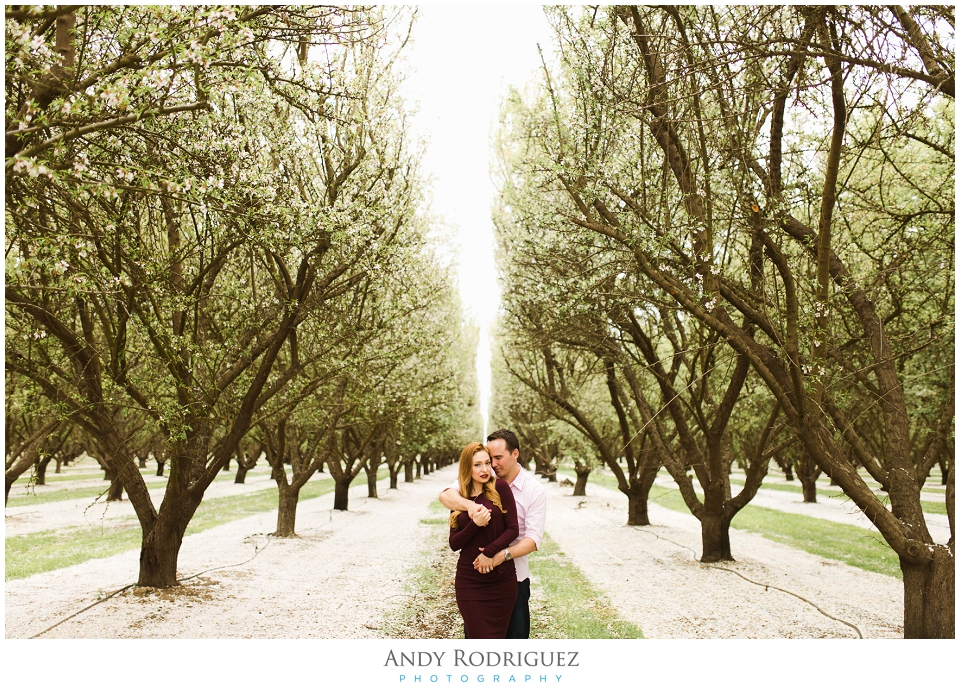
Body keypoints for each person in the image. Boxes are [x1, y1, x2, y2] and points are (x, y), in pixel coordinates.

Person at [439, 429, 546, 639]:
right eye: (488, 459)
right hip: (474, 578)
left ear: (515, 454)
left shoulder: (533, 490)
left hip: (513, 578)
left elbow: (533, 540)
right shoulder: (478, 480)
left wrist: (497, 555)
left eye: (497, 458)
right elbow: (445, 496)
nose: (492, 465)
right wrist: (471, 508)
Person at [448, 442, 519, 639]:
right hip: (470, 581)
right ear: (466, 467)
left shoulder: (500, 488)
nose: (485, 469)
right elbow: (454, 544)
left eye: (487, 463)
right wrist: (475, 524)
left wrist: (489, 552)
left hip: (502, 581)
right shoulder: (458, 497)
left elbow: (513, 529)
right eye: (477, 464)